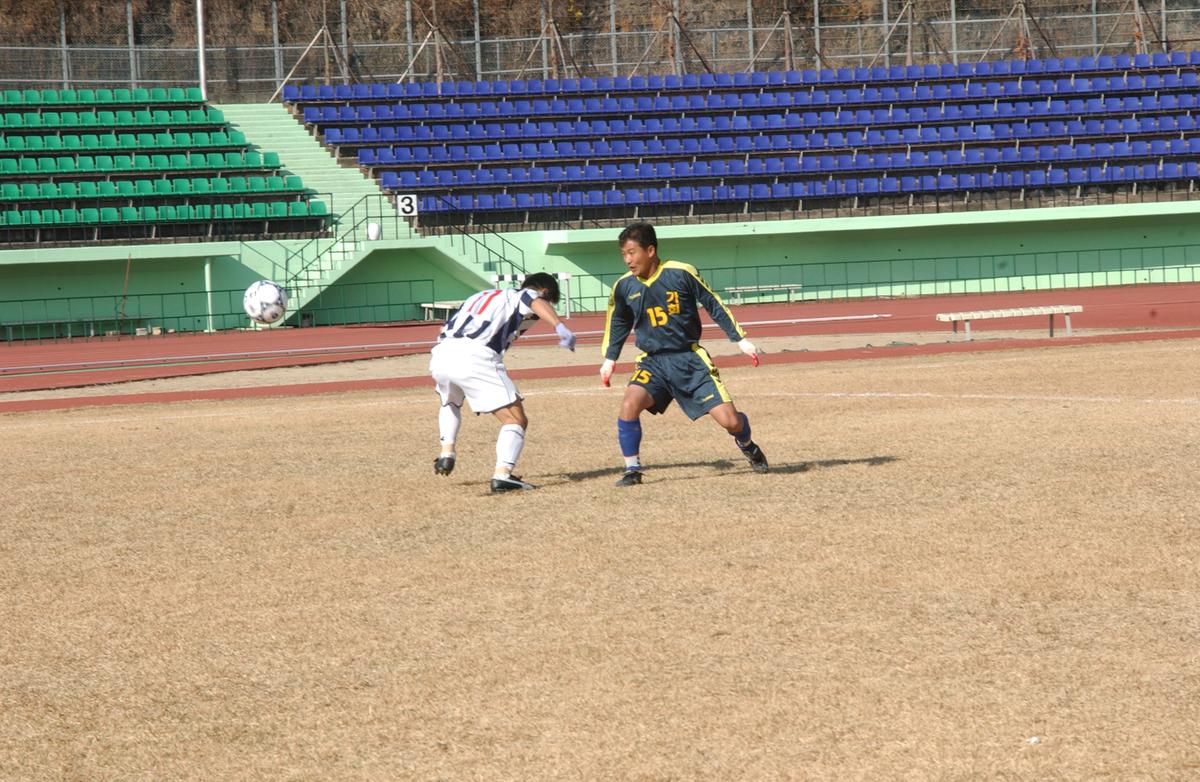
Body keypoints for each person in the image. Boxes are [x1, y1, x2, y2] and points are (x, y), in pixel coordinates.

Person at [599, 222, 768, 486]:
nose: (628, 260)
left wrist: (740, 340)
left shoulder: (681, 272)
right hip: (652, 362)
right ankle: (632, 470)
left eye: (632, 252)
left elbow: (712, 302)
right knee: (629, 404)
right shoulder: (623, 286)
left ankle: (747, 444)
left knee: (730, 421)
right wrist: (609, 358)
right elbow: (618, 322)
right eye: (624, 254)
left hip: (689, 360)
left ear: (651, 250)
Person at [430, 272, 576, 493]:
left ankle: (446, 452)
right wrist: (558, 325)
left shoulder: (480, 295)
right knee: (516, 419)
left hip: (441, 352)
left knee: (450, 402)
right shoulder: (526, 295)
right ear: (545, 292)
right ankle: (503, 476)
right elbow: (533, 300)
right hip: (476, 354)